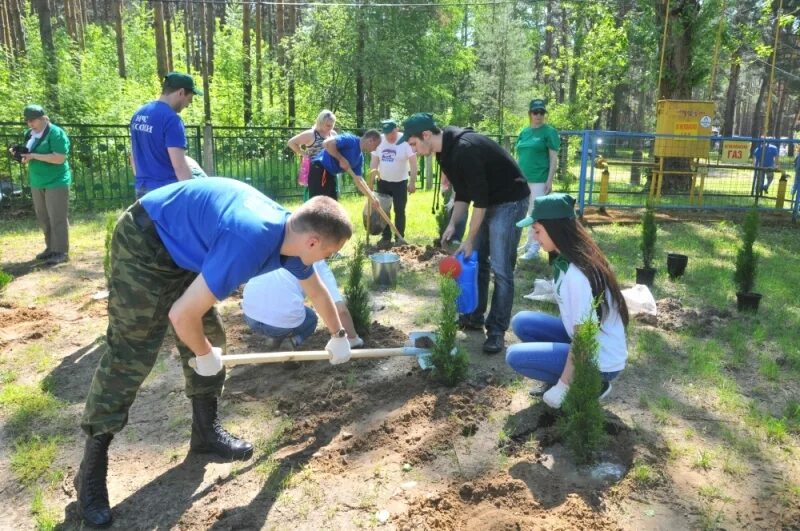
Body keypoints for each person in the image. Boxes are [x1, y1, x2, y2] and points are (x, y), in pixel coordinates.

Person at [74, 178, 354, 528]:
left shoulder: (291, 236)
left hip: (186, 248)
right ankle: (91, 472)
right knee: (132, 350)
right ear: (313, 242)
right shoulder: (249, 240)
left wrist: (338, 334)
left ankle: (204, 433)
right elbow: (180, 316)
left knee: (210, 335)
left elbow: (315, 289)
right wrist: (203, 356)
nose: (327, 260)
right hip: (145, 243)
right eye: (329, 253)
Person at [401, 112, 530, 354]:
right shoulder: (443, 153)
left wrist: (470, 239)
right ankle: (474, 316)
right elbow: (463, 193)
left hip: (510, 201)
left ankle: (497, 331)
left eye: (414, 144)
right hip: (489, 199)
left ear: (426, 135)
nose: (414, 150)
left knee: (501, 269)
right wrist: (453, 223)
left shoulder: (465, 149)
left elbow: (479, 202)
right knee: (478, 260)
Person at [506, 193, 628, 409]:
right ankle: (566, 376)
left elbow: (583, 337)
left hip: (600, 359)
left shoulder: (576, 275)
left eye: (537, 231)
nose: (535, 238)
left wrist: (563, 385)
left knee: (515, 356)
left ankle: (592, 384)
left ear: (555, 229)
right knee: (522, 321)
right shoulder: (569, 259)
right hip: (589, 341)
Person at [242, 259, 364, 349]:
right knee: (311, 318)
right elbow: (341, 310)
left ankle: (274, 339)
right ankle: (292, 341)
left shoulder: (280, 248)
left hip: (249, 317)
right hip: (279, 325)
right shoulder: (318, 264)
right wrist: (353, 339)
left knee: (279, 308)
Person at [11, 104, 72, 265]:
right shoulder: (29, 134)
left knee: (57, 216)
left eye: (33, 120)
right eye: (27, 121)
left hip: (56, 181)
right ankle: (50, 248)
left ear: (43, 118)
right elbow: (26, 158)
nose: (30, 124)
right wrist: (19, 155)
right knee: (44, 217)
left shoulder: (56, 133)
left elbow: (59, 158)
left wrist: (34, 156)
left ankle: (61, 251)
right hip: (37, 181)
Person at [130, 72, 202, 198]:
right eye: (189, 99)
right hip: (167, 194)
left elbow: (133, 156)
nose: (188, 105)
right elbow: (179, 166)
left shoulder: (139, 114)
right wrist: (193, 196)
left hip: (142, 192)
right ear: (181, 92)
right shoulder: (171, 119)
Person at [516, 98, 560, 260]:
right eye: (535, 112)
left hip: (539, 180)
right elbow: (518, 155)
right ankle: (528, 243)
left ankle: (535, 247)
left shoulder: (549, 132)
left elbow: (553, 158)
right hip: (522, 180)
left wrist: (549, 180)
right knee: (525, 213)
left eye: (541, 112)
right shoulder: (524, 132)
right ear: (530, 114)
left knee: (535, 214)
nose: (538, 115)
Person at [370, 120, 418, 244]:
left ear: (396, 129)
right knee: (383, 210)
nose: (388, 136)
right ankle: (386, 237)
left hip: (400, 182)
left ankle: (399, 237)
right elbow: (374, 161)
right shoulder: (379, 141)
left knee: (399, 210)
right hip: (382, 182)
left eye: (391, 133)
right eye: (386, 133)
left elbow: (413, 163)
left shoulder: (405, 141)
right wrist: (372, 177)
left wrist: (412, 182)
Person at [308, 129, 381, 203]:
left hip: (330, 175)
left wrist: (372, 197)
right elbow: (327, 143)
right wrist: (340, 158)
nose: (375, 149)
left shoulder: (359, 158)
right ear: (370, 141)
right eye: (376, 145)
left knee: (331, 206)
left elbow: (359, 181)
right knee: (318, 205)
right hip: (320, 170)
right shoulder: (350, 140)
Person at [287, 110, 337, 199]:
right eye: (328, 125)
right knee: (316, 199)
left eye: (332, 125)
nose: (330, 127)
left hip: (331, 169)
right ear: (320, 123)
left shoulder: (333, 134)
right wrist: (303, 153)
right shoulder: (311, 134)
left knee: (332, 199)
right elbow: (291, 142)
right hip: (316, 171)